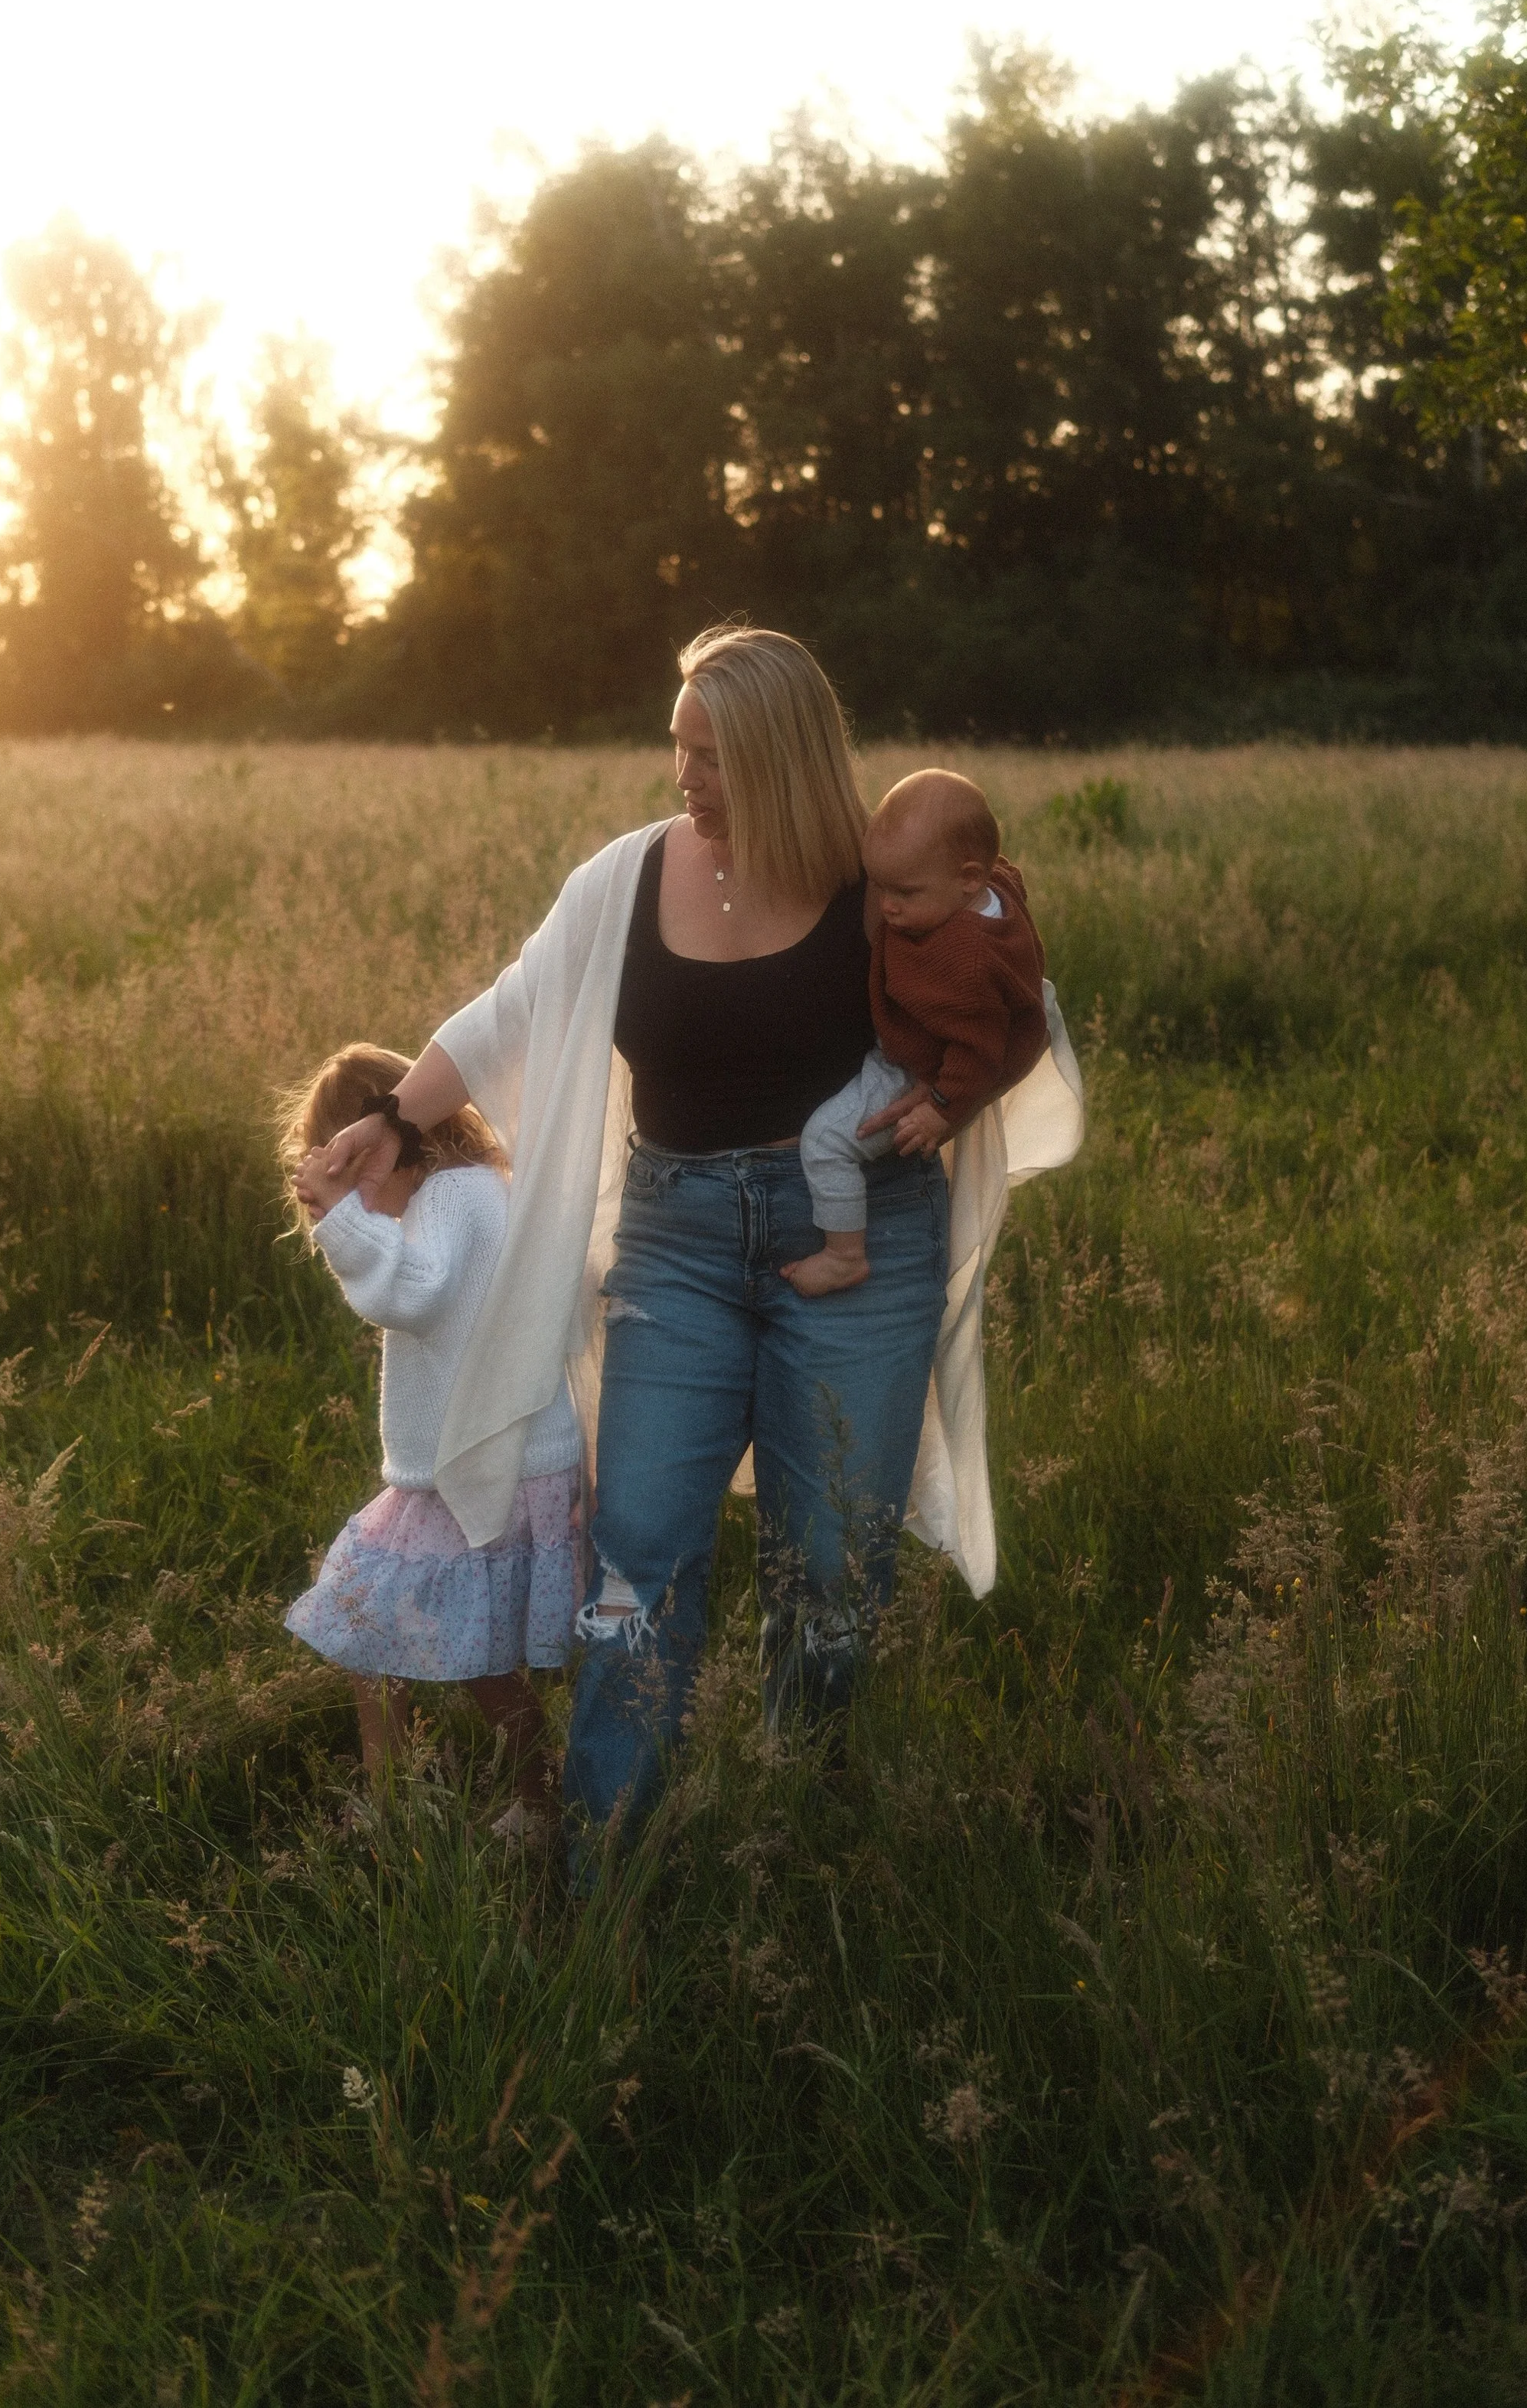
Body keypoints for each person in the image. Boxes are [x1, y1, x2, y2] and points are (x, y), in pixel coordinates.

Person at [307, 627, 1085, 1866]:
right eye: (677, 746)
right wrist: (398, 1116)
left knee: (831, 1560)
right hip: (674, 1245)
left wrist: (954, 1101)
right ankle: (606, 1850)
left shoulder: (870, 886)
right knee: (643, 1548)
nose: (684, 775)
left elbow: (1008, 1001)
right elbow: (515, 1005)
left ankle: (797, 1808)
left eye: (710, 755)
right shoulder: (625, 881)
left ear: (780, 759)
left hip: (861, 1236)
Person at [279, 1043, 582, 1830]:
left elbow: (414, 1294)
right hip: (497, 1460)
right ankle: (477, 1795)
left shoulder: (452, 1198)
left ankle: (500, 1801)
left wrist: (341, 1222)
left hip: (480, 1468)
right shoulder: (483, 1187)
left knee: (401, 1625)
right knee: (426, 1636)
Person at [781, 769, 1049, 1297]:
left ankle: (844, 1254)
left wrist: (941, 1107)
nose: (886, 907)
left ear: (970, 878)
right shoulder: (995, 887)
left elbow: (979, 1051)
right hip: (929, 1043)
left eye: (904, 892)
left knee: (827, 1142)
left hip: (919, 1068)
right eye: (880, 887)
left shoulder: (965, 965)